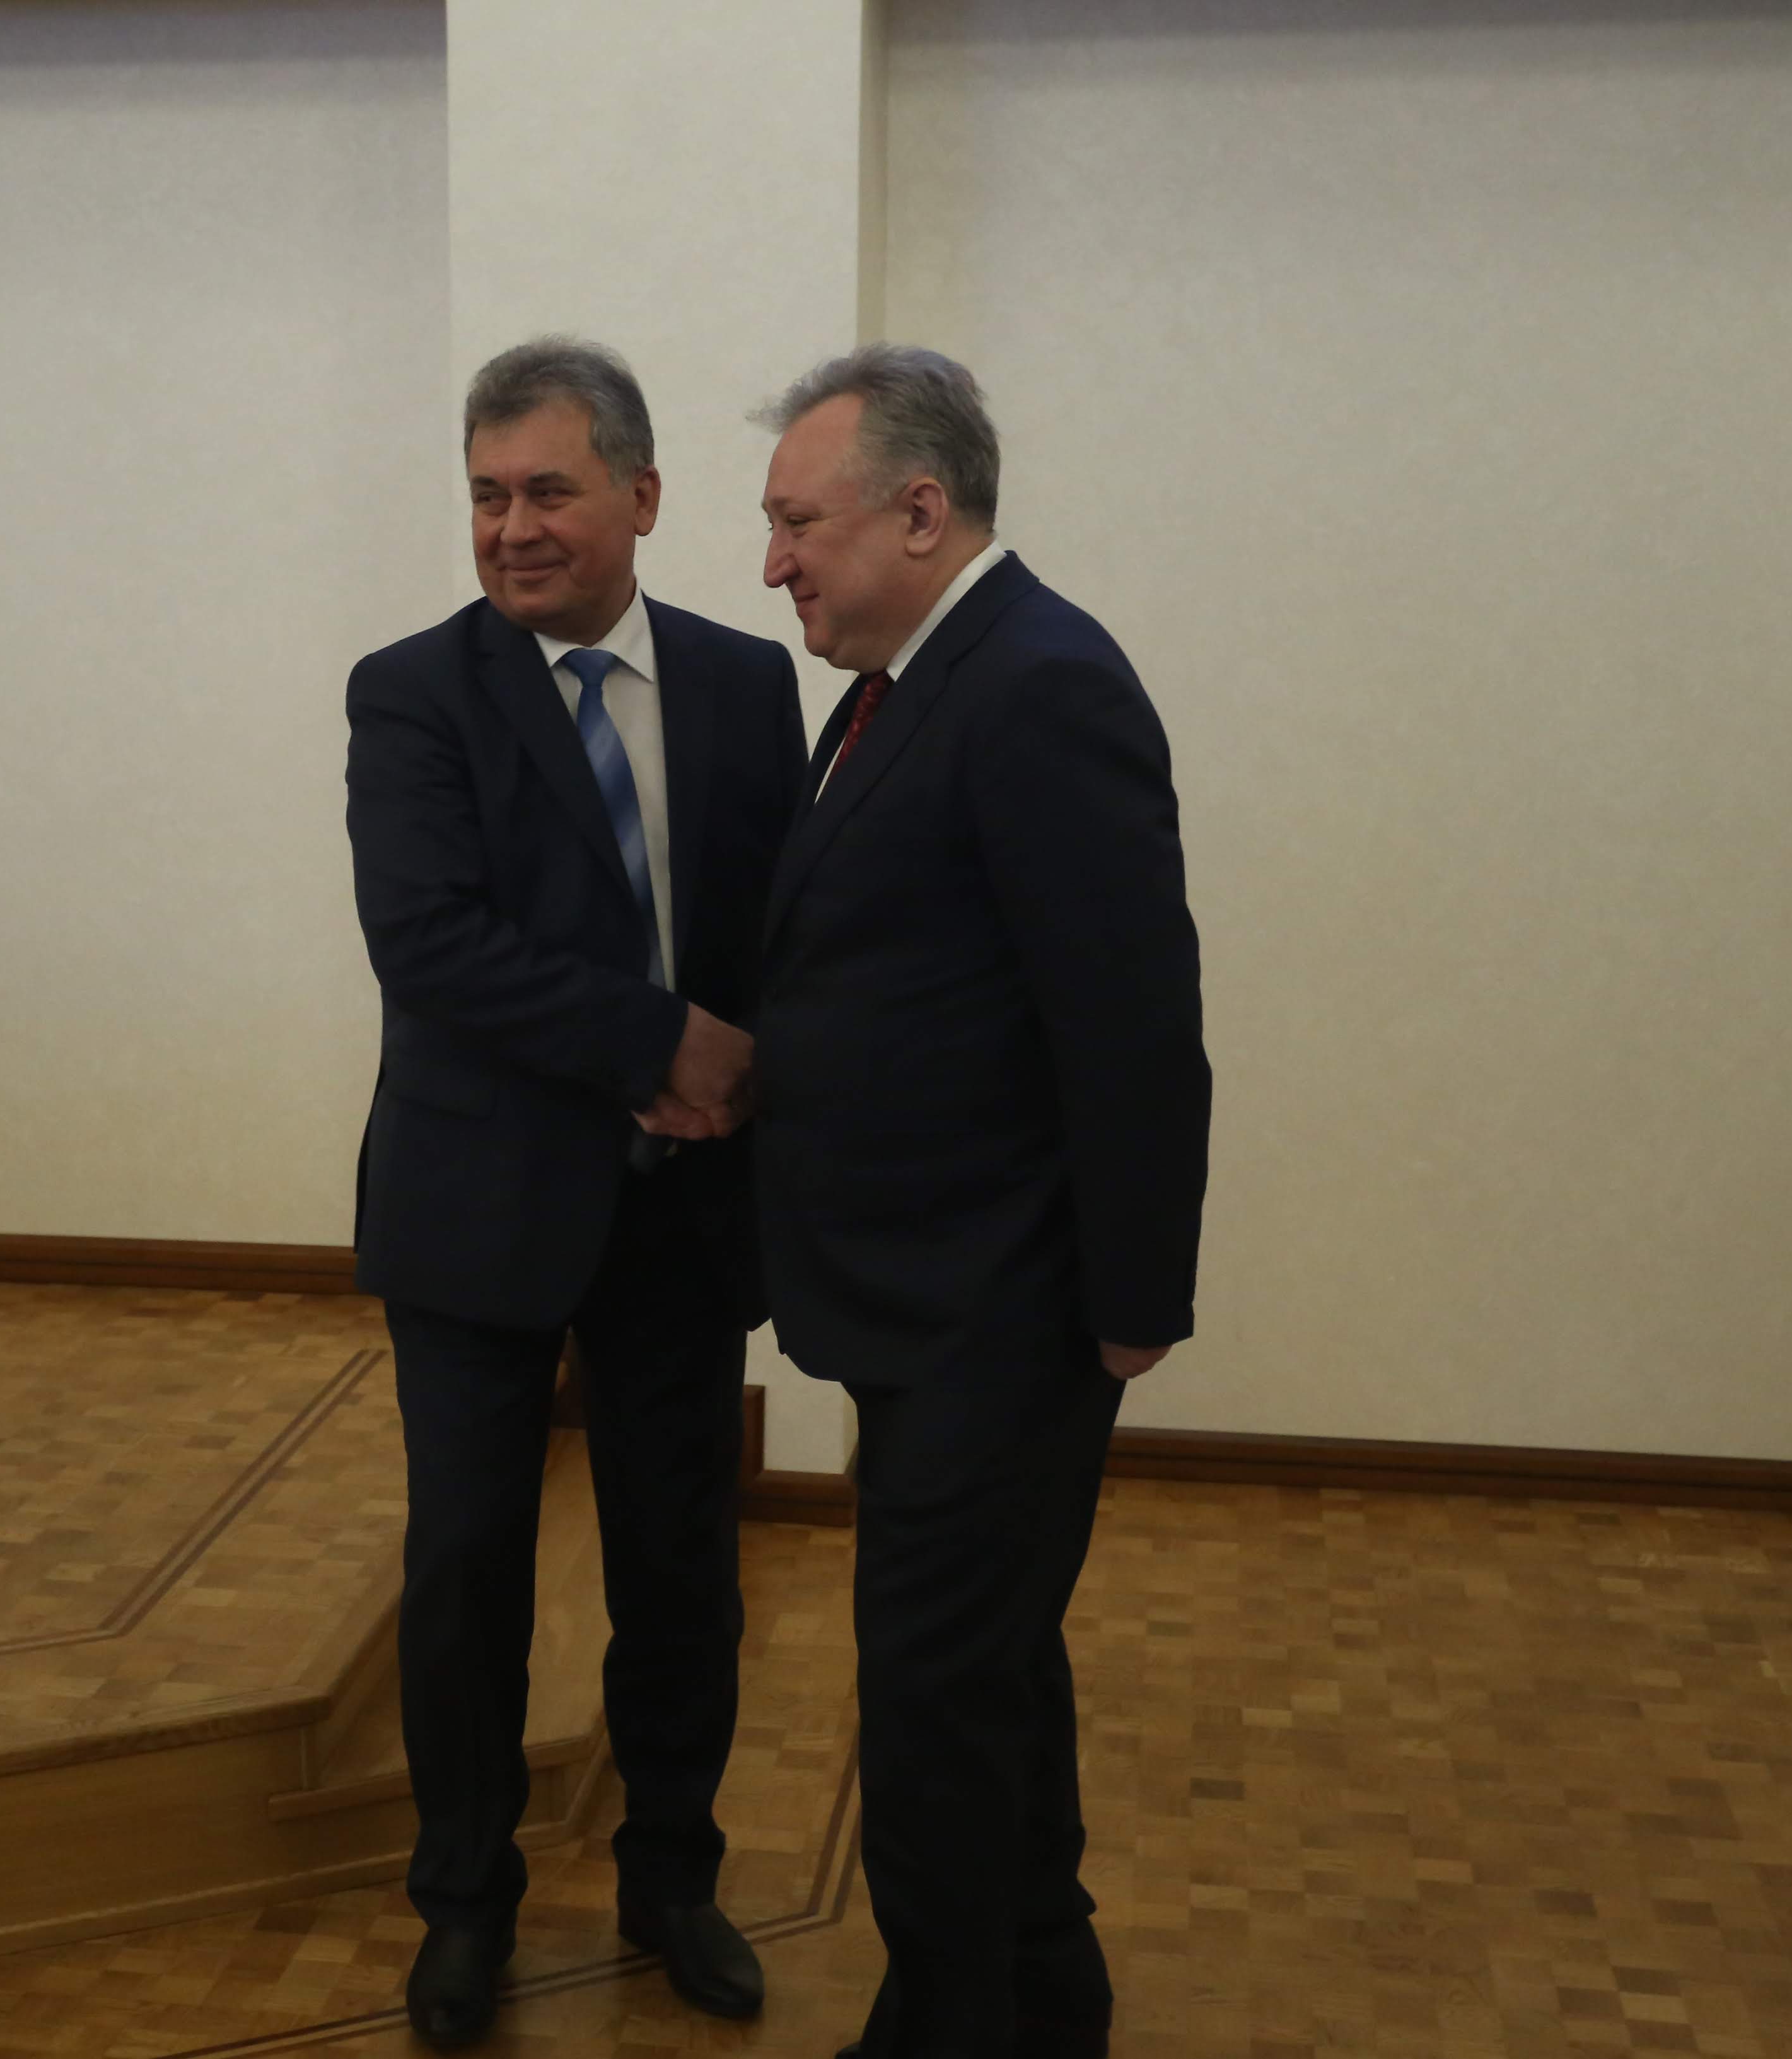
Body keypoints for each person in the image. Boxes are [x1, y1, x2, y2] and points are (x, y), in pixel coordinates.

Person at [344, 336, 808, 2049]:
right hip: (477, 1210)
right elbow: (431, 943)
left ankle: (672, 1880)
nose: (511, 527)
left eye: (547, 489)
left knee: (679, 1565)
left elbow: (775, 932)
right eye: (486, 494)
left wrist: (758, 1077)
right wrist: (660, 1041)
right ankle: (464, 1904)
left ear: (642, 495)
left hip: (683, 1209)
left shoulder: (746, 684)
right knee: (466, 1570)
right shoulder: (411, 693)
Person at [750, 344, 1211, 2059]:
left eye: (798, 523)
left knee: (935, 1693)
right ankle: (1045, 1986)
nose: (774, 564)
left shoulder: (1037, 685)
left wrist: (1133, 1302)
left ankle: (947, 2024)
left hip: (999, 1309)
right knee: (991, 1658)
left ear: (919, 512)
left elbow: (1132, 1023)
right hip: (921, 1296)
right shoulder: (903, 686)